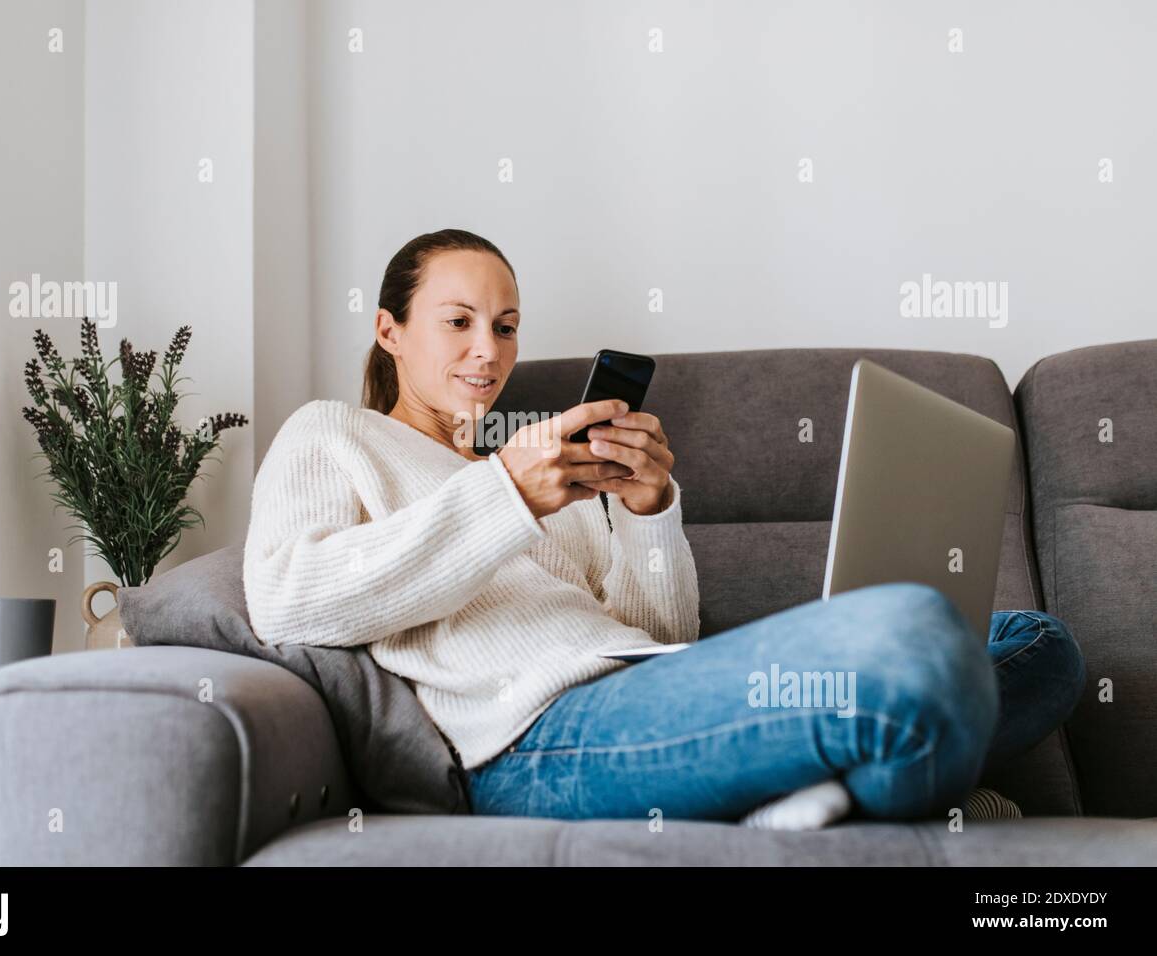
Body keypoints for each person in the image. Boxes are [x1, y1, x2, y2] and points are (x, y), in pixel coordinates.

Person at [243, 228, 1087, 829]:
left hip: (646, 690)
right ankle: (857, 779)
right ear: (389, 330)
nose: (488, 352)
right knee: (911, 634)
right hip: (535, 742)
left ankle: (829, 786)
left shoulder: (545, 463)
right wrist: (505, 495)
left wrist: (650, 515)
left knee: (1036, 646)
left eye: (505, 326)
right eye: (457, 321)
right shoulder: (334, 435)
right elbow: (287, 601)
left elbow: (657, 635)